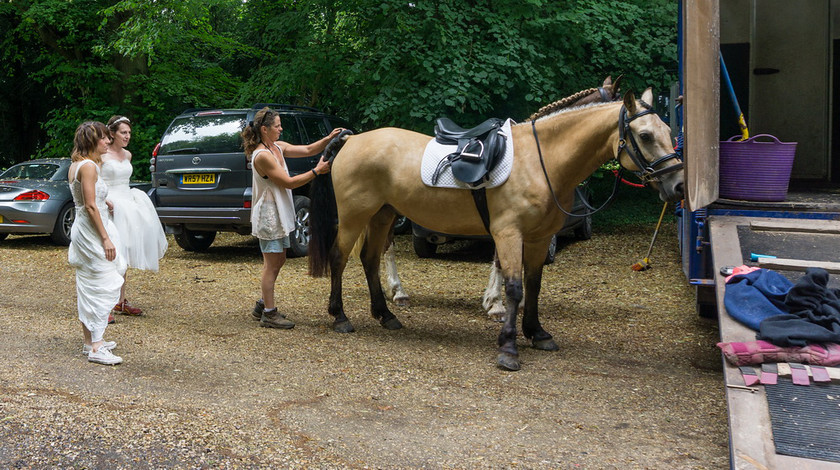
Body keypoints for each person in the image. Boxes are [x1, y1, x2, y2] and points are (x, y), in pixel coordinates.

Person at [241, 107, 341, 328]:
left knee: (279, 260)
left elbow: (307, 149)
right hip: (269, 215)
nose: (281, 128)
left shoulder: (277, 146)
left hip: (279, 211)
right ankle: (269, 313)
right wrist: (317, 171)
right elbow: (288, 182)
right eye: (277, 125)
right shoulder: (263, 155)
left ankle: (263, 302)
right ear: (265, 129)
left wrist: (329, 138)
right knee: (271, 263)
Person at [67, 121, 126, 365]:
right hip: (91, 230)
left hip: (82, 226)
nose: (108, 141)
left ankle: (89, 341)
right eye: (103, 138)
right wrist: (105, 238)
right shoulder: (89, 166)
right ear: (93, 141)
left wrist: (106, 201)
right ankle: (97, 347)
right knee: (103, 281)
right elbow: (90, 205)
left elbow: (86, 200)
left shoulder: (76, 164)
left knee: (88, 283)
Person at [101, 115, 168, 317]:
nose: (127, 136)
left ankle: (120, 301)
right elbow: (95, 183)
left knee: (126, 250)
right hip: (110, 204)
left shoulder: (128, 155)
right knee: (111, 253)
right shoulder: (102, 156)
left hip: (128, 203)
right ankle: (106, 303)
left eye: (129, 132)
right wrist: (105, 201)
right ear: (112, 133)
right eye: (123, 132)